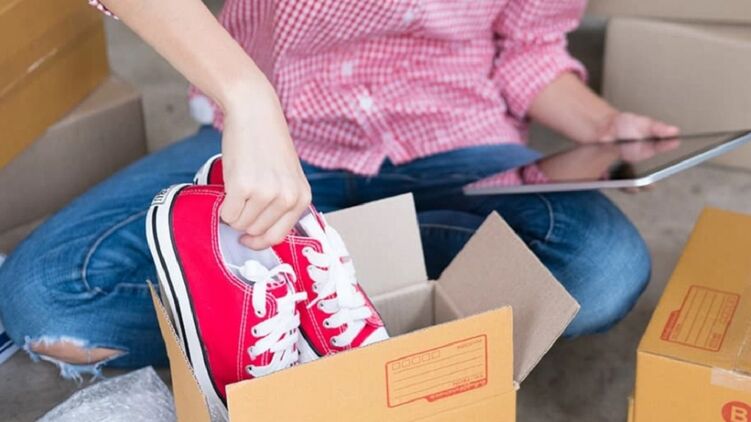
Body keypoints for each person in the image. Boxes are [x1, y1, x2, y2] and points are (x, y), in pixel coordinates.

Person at [0, 0, 678, 379]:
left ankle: (297, 276)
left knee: (601, 269)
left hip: (455, 136)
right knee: (50, 299)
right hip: (272, 135)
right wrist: (249, 99)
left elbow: (529, 49)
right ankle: (346, 293)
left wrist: (602, 126)